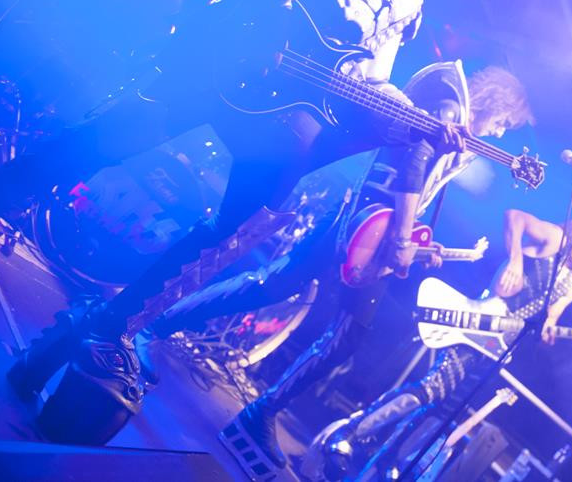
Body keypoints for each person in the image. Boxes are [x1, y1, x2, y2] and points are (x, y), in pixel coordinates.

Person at [0, 0, 518, 444]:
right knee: (96, 145)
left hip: (278, 111)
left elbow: (369, 78)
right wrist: (274, 15)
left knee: (244, 222)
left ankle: (111, 322)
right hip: (226, 60)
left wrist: (421, 121)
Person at [141, 64, 533, 477]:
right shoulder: (450, 108)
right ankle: (179, 340)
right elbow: (411, 166)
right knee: (302, 301)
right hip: (368, 219)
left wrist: (419, 243)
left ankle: (239, 394)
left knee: (292, 293)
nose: (499, 133)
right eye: (504, 123)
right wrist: (403, 239)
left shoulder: (459, 128)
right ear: (495, 104)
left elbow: (419, 183)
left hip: (373, 222)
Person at [308, 209, 572, 481]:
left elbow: (550, 319)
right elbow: (514, 217)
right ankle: (350, 432)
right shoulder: (555, 239)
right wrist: (515, 259)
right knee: (432, 389)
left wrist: (549, 331)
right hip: (481, 319)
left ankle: (384, 463)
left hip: (499, 346)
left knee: (443, 407)